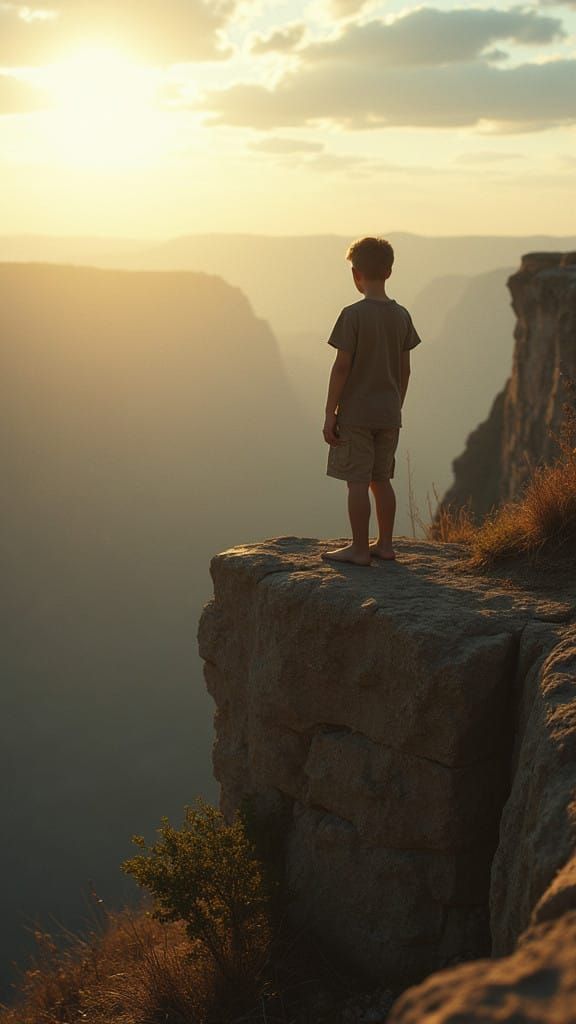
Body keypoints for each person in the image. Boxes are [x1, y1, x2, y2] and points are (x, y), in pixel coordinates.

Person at [322, 236, 422, 566]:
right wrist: (397, 404)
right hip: (389, 413)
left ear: (356, 274)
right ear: (389, 272)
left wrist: (330, 412)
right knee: (382, 480)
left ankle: (359, 549)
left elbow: (342, 367)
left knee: (357, 482)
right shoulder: (402, 316)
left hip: (356, 414)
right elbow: (405, 370)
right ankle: (387, 546)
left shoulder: (352, 316)